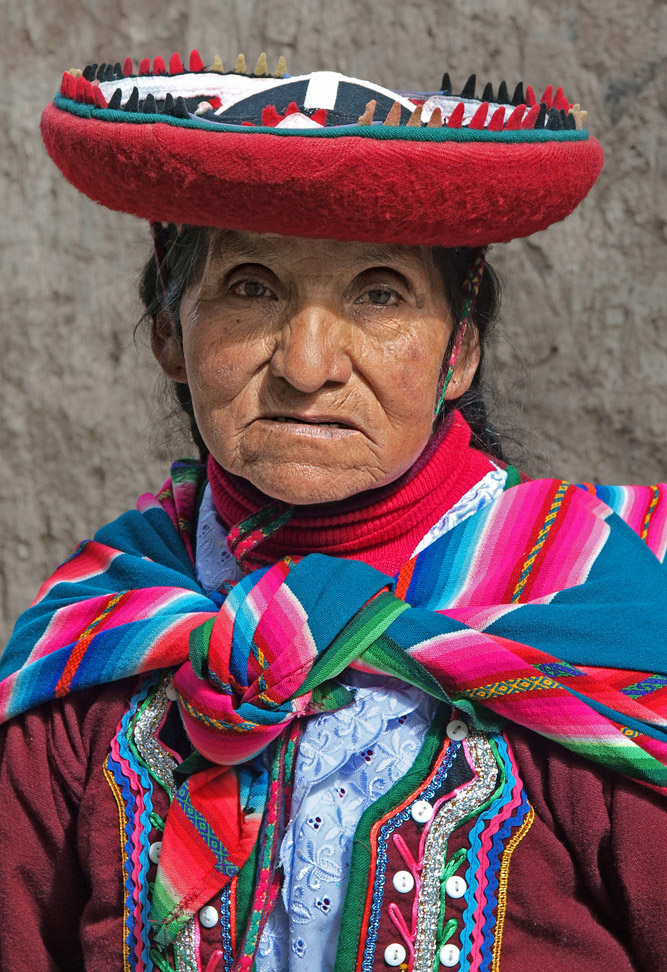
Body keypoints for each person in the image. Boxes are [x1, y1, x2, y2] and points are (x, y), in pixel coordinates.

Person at [1, 49, 667, 972]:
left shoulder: (599, 624)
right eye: (250, 287)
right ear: (169, 334)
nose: (307, 366)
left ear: (458, 353)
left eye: (379, 293)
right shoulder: (93, 646)